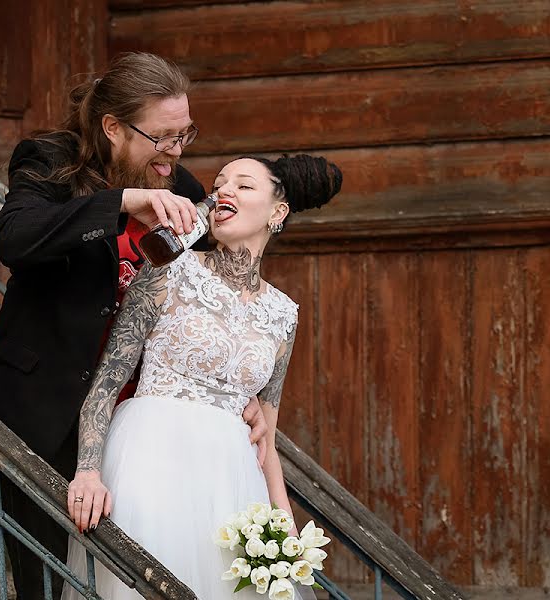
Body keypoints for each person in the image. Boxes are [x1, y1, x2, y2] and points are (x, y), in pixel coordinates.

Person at [0, 53, 269, 600]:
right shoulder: (50, 159)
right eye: (163, 137)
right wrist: (121, 203)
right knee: (45, 577)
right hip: (47, 410)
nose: (177, 152)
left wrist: (243, 388)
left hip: (139, 424)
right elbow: (14, 238)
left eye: (185, 134)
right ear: (113, 127)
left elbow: (219, 293)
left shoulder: (181, 184)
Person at [63, 153, 343, 599]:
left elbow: (266, 432)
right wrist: (88, 472)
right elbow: (106, 383)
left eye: (244, 185)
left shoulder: (283, 314)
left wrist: (283, 521)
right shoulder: (167, 271)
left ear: (278, 211)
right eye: (221, 182)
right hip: (149, 459)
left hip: (230, 484)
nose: (224, 190)